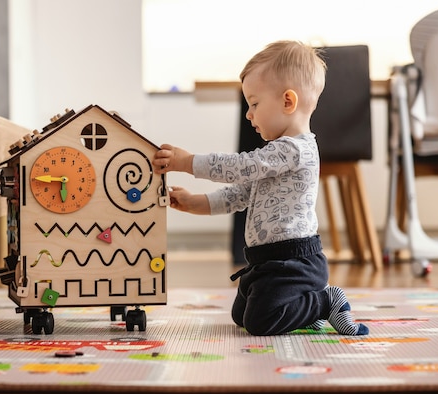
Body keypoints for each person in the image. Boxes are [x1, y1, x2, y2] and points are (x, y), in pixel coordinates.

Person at [152, 40, 369, 337]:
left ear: (287, 102)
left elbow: (241, 167)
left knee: (260, 321)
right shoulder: (275, 157)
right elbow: (238, 194)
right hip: (266, 261)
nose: (249, 115)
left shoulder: (294, 150)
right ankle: (302, 311)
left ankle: (323, 301)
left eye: (254, 104)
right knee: (241, 315)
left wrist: (189, 162)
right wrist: (195, 203)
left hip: (293, 262)